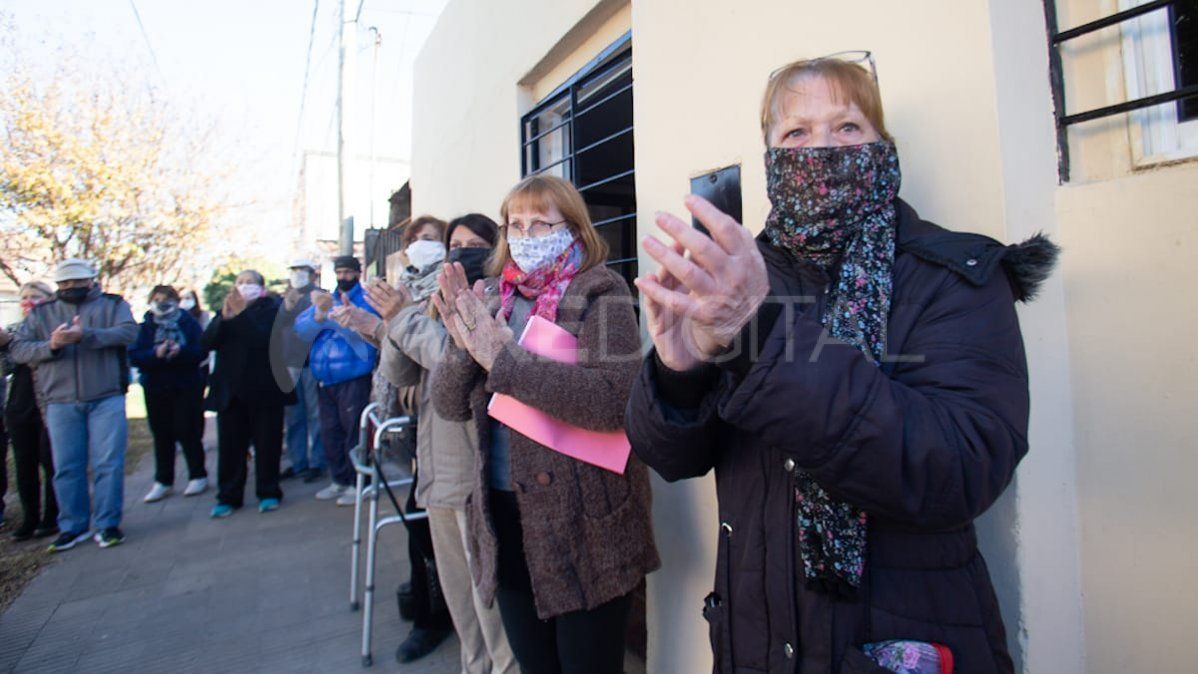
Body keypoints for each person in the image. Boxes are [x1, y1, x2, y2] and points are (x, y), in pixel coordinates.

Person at [624, 54, 1059, 673]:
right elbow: (672, 458)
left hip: (904, 639)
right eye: (795, 133)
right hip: (755, 641)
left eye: (848, 127)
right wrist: (678, 374)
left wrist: (762, 334)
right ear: (770, 156)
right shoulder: (740, 276)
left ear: (885, 145)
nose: (820, 149)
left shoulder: (955, 277)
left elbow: (964, 465)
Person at [430, 176, 659, 674]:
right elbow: (447, 403)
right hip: (506, 519)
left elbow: (614, 401)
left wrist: (502, 359)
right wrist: (463, 344)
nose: (528, 235)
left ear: (573, 228)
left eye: (541, 223)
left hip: (585, 523)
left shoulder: (601, 290)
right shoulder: (490, 296)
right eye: (517, 225)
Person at [338, 214, 516, 669]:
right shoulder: (431, 302)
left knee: (490, 601)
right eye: (455, 243)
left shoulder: (499, 297)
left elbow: (457, 357)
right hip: (435, 467)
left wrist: (401, 319)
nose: (462, 250)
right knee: (460, 599)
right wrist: (391, 324)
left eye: (476, 243)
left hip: (474, 466)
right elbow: (399, 376)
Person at [9, 259, 137, 552]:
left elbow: (129, 333)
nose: (71, 287)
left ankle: (107, 525)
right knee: (66, 467)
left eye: (78, 282)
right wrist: (52, 345)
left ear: (91, 279)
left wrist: (88, 336)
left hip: (106, 395)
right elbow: (19, 349)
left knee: (108, 463)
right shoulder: (42, 313)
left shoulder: (113, 304)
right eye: (65, 283)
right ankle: (72, 526)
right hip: (60, 400)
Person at [201, 270, 295, 517]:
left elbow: (263, 339)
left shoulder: (272, 309)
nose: (244, 287)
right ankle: (229, 496)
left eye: (250, 283)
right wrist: (224, 318)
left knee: (267, 443)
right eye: (240, 282)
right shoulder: (226, 311)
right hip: (230, 392)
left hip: (264, 390)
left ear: (261, 287)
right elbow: (207, 342)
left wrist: (241, 316)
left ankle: (268, 491)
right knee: (231, 446)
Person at [294, 255, 380, 506]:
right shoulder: (325, 300)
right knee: (330, 432)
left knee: (356, 431)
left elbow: (367, 334)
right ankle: (340, 479)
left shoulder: (366, 300)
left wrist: (342, 321)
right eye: (339, 272)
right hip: (326, 378)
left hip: (354, 376)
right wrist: (319, 316)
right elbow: (301, 331)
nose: (343, 277)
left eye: (347, 272)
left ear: (357, 273)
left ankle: (358, 481)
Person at [128, 285, 209, 503]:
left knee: (187, 429)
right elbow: (134, 355)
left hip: (186, 384)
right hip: (155, 386)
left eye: (167, 299)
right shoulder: (145, 327)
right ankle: (163, 480)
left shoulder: (188, 323)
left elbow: (201, 349)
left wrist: (180, 352)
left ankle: (197, 474)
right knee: (161, 434)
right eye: (157, 299)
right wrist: (155, 353)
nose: (162, 303)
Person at [0, 282, 59, 541]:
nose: (28, 301)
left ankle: (52, 516)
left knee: (51, 462)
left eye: (35, 296)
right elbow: (7, 368)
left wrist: (15, 345)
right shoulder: (14, 330)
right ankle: (30, 518)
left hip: (49, 402)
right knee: (24, 465)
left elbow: (40, 356)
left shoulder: (56, 327)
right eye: (24, 297)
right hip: (20, 405)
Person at [275, 258, 327, 483]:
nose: (298, 275)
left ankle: (317, 462)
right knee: (294, 416)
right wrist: (287, 305)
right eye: (294, 271)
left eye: (302, 271)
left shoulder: (320, 296)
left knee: (316, 415)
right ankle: (298, 463)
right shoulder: (285, 298)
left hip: (312, 363)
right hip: (290, 364)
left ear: (313, 275)